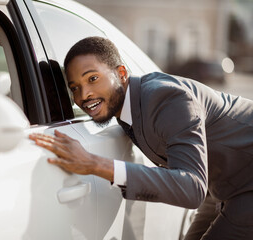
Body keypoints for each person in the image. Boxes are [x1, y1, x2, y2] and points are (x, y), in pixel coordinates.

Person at [29, 37, 253, 239]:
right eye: (74, 88)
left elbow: (191, 188)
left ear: (122, 74)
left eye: (93, 78)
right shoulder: (127, 106)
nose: (83, 95)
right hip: (222, 183)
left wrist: (94, 164)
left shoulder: (166, 99)